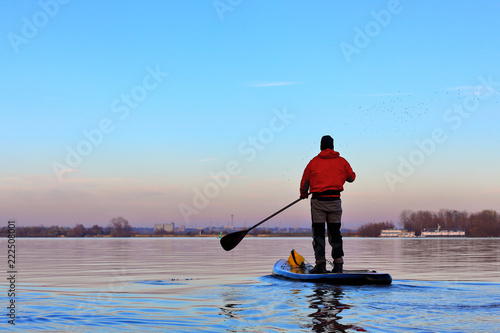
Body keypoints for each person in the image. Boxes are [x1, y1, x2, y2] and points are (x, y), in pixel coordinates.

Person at [300, 135, 356, 273]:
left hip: (318, 202)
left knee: (318, 234)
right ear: (333, 146)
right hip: (335, 202)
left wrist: (303, 194)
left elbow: (305, 181)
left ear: (321, 146)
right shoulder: (342, 161)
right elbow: (351, 178)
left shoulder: (313, 162)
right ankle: (338, 265)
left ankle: (320, 265)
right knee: (335, 233)